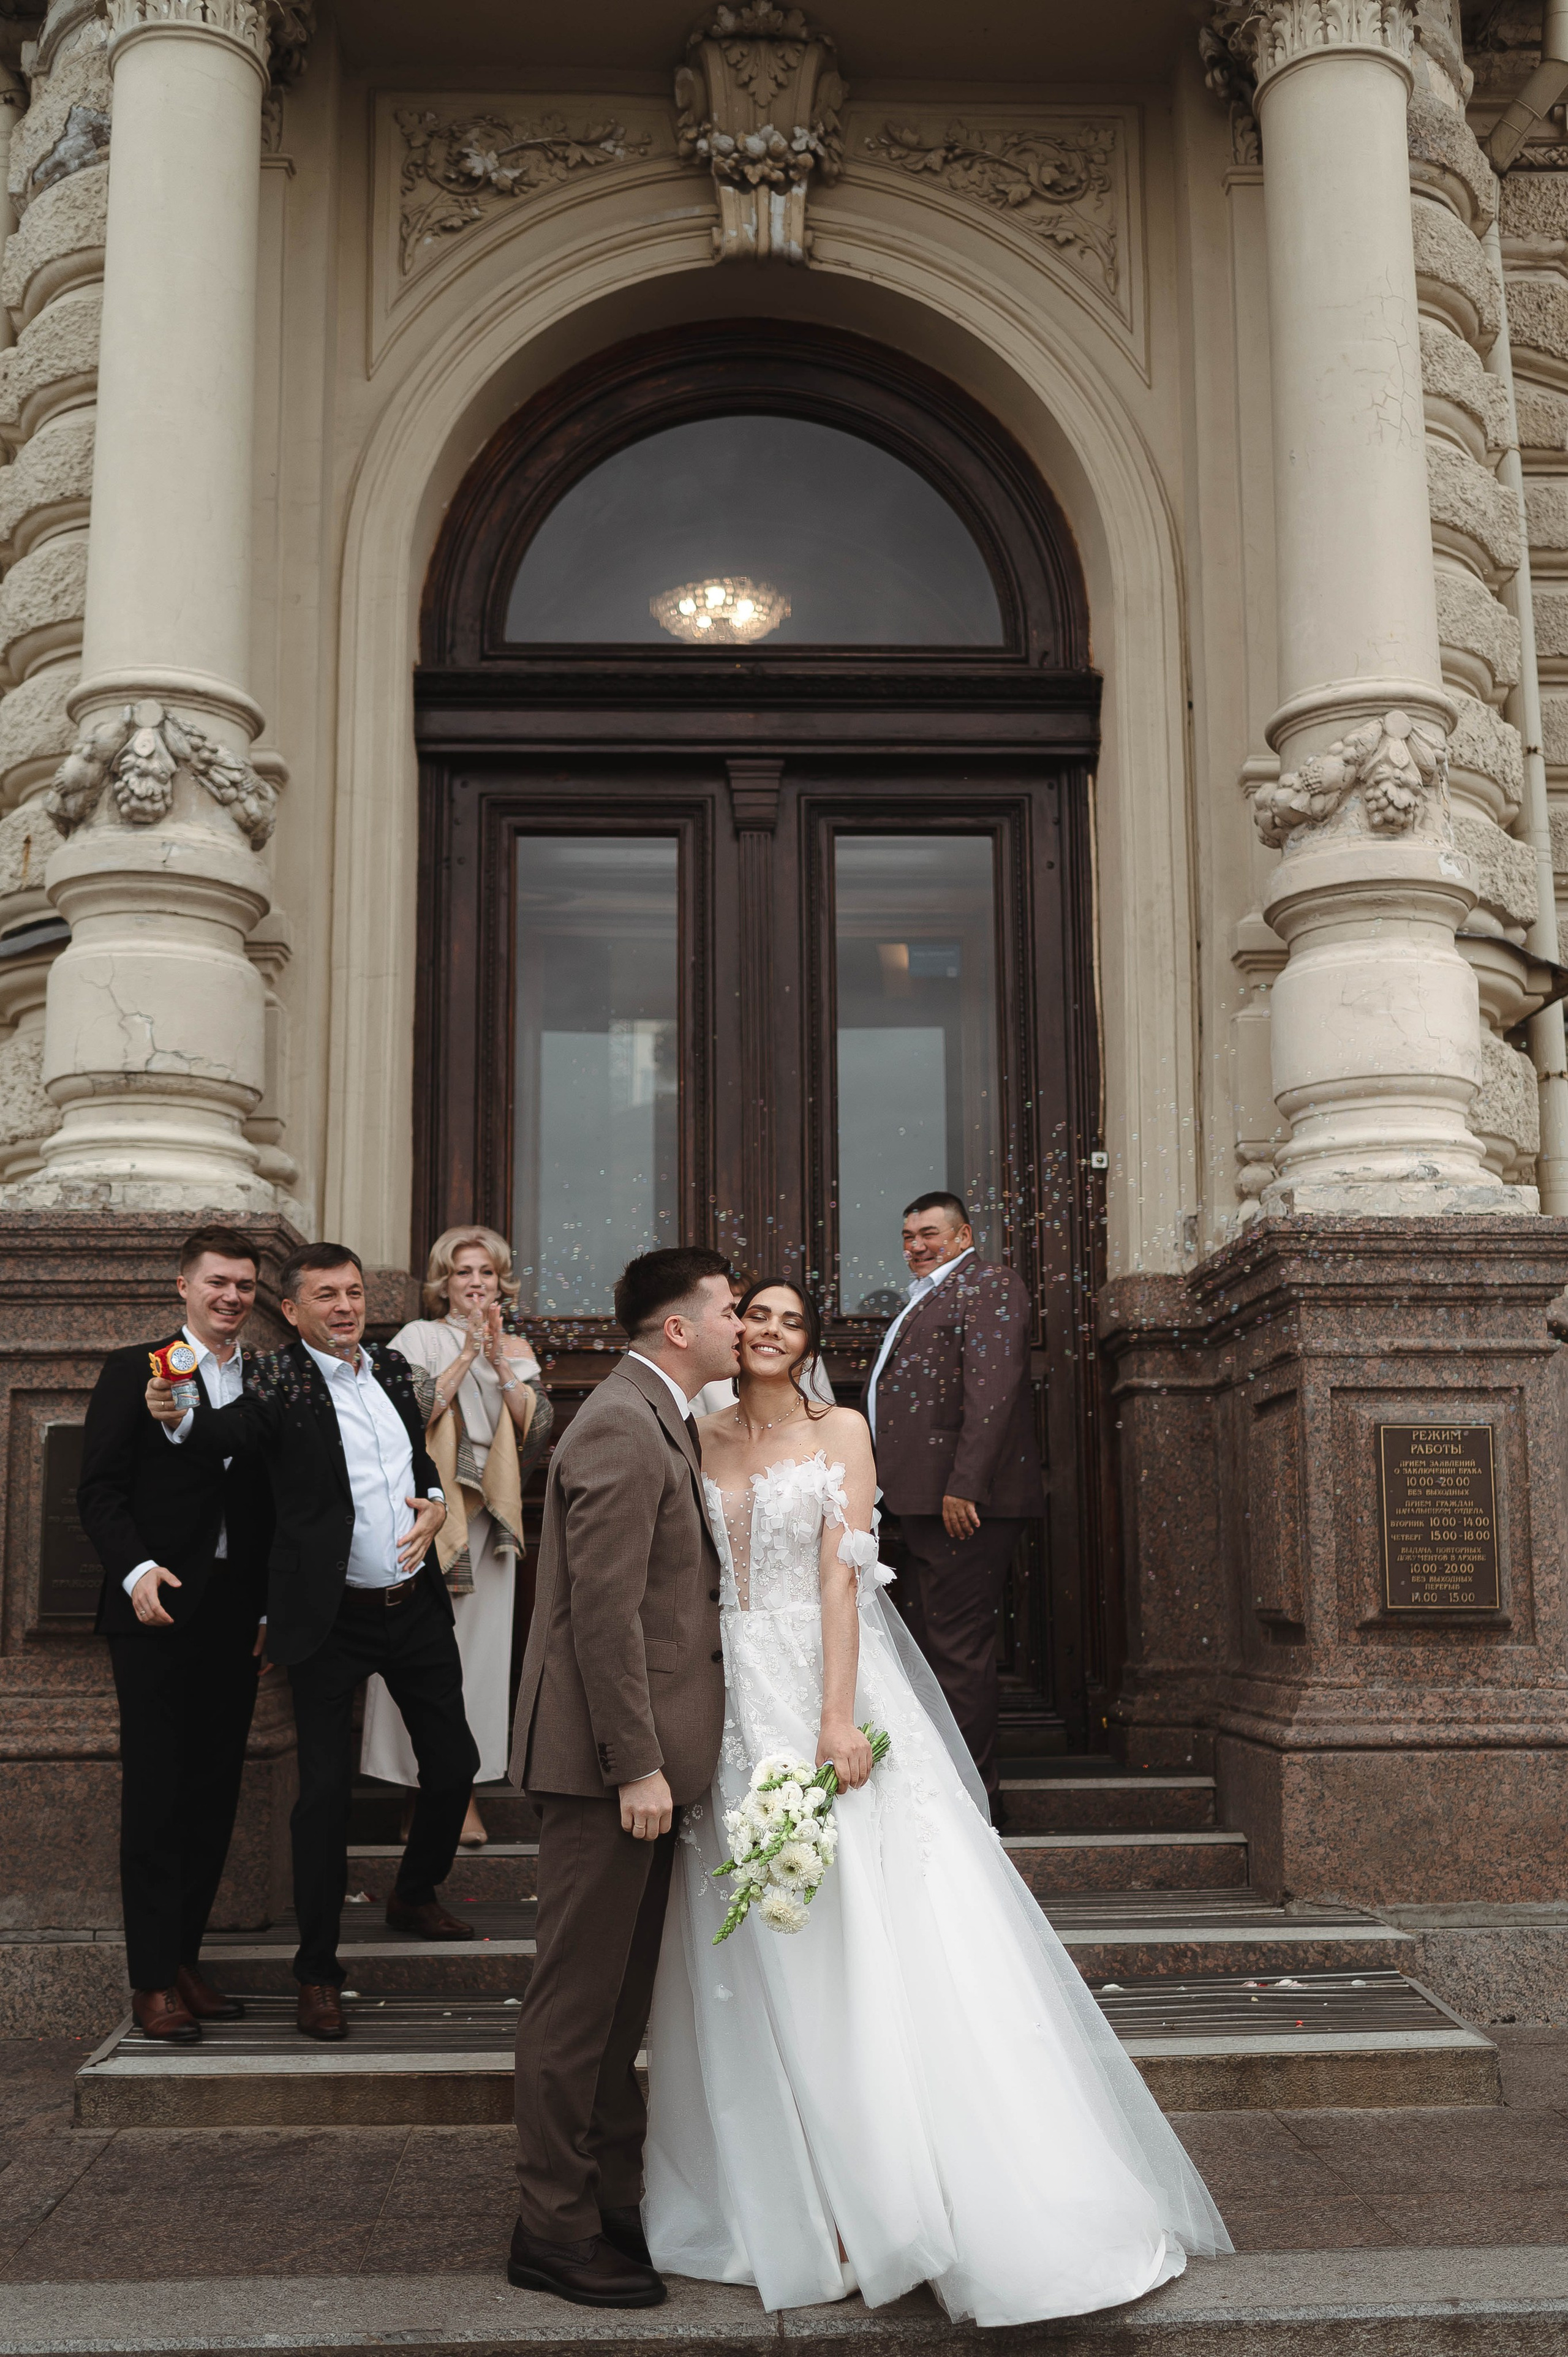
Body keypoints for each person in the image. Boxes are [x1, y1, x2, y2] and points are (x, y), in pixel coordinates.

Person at [644, 1277, 1230, 2323]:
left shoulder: (846, 1429)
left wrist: (834, 1719)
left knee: (865, 1924)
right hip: (725, 1693)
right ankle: (796, 2190)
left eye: (790, 1320)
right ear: (730, 1334)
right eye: (756, 1316)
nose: (770, 1331)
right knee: (756, 1934)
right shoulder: (694, 1428)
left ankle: (908, 2191)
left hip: (820, 1678)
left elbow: (843, 1576)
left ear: (811, 1343)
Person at [145, 1240, 478, 2045]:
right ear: (292, 1312)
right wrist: (179, 1414)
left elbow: (416, 1454)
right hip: (330, 1618)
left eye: (356, 1293)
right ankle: (318, 1975)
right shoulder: (277, 1378)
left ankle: (413, 1890)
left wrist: (432, 1497)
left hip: (413, 1604)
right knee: (322, 1800)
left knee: (455, 1763)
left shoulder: (395, 1373)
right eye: (326, 1295)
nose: (346, 1306)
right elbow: (222, 1433)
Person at [506, 1245, 741, 2310]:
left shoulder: (663, 1417)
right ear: (678, 1328)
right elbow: (599, 1621)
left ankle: (606, 2200)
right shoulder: (615, 1422)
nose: (745, 1325)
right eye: (730, 1309)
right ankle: (548, 2229)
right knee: (576, 2006)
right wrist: (636, 1763)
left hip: (639, 1769)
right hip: (608, 1770)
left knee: (619, 2004)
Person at [78, 1224, 274, 2043]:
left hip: (237, 1616)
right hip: (157, 1610)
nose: (231, 1296)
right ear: (184, 1286)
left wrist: (268, 1607)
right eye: (217, 1282)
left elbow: (271, 1503)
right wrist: (135, 1572)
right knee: (157, 1796)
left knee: (212, 1793)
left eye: (244, 1286)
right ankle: (153, 1980)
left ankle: (186, 1956)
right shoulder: (139, 1369)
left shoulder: (267, 1379)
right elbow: (99, 1491)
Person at [361, 1225, 553, 1847]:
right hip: (426, 1510)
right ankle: (421, 1794)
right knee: (420, 1655)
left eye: (487, 1273)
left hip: (487, 1515)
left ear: (502, 1282)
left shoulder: (518, 1346)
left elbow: (537, 1428)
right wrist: (466, 1352)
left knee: (477, 1659)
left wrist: (498, 1359)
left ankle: (459, 1789)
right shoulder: (417, 1337)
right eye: (463, 1271)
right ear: (443, 1281)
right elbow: (408, 1412)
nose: (476, 1283)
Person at [861, 1191, 1044, 1819]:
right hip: (915, 1502)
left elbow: (992, 1389)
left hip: (961, 1504)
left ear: (964, 1235)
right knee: (934, 1650)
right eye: (908, 1234)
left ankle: (972, 1808)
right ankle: (942, 1794)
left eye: (930, 1233)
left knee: (958, 1655)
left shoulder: (988, 1283)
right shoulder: (927, 1296)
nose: (916, 1244)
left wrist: (965, 1483)